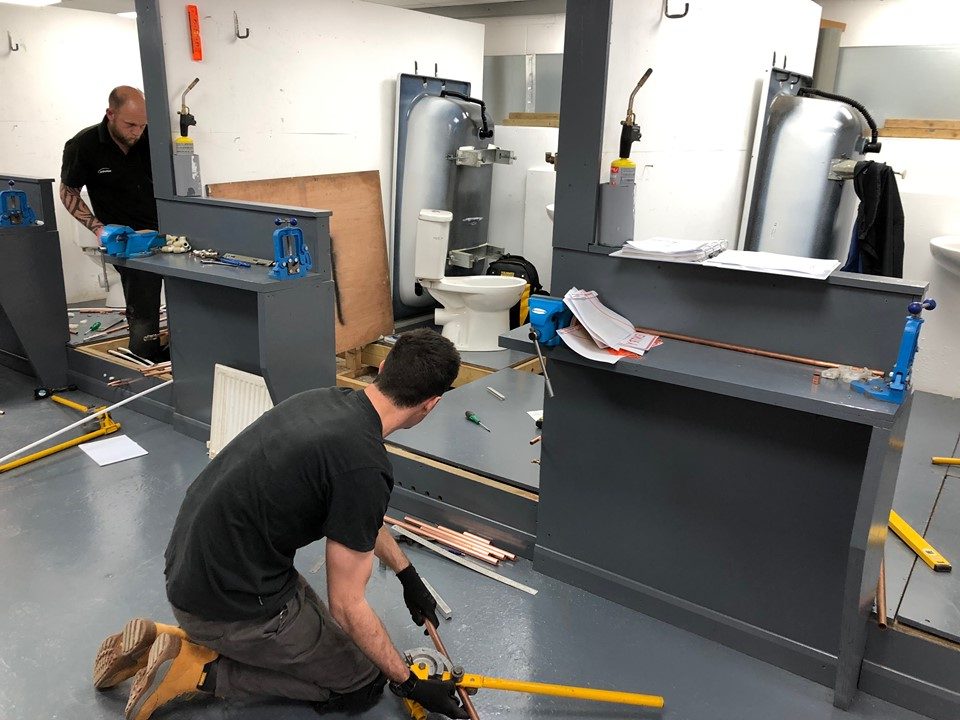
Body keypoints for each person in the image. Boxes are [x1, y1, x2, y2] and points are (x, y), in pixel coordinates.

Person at [93, 329, 468, 720]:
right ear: (430, 404)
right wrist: (408, 682)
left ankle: (164, 640)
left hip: (192, 567)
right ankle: (198, 671)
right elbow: (347, 605)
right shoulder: (364, 465)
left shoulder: (325, 401)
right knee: (363, 680)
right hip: (224, 603)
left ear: (384, 366)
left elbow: (359, 516)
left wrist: (408, 575)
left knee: (341, 641)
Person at [60, 86, 165, 361]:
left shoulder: (152, 139)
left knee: (189, 297)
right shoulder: (84, 145)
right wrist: (97, 228)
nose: (137, 132)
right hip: (128, 241)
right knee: (143, 306)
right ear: (111, 114)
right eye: (130, 125)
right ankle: (145, 360)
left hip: (166, 233)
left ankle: (184, 356)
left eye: (142, 125)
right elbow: (68, 191)